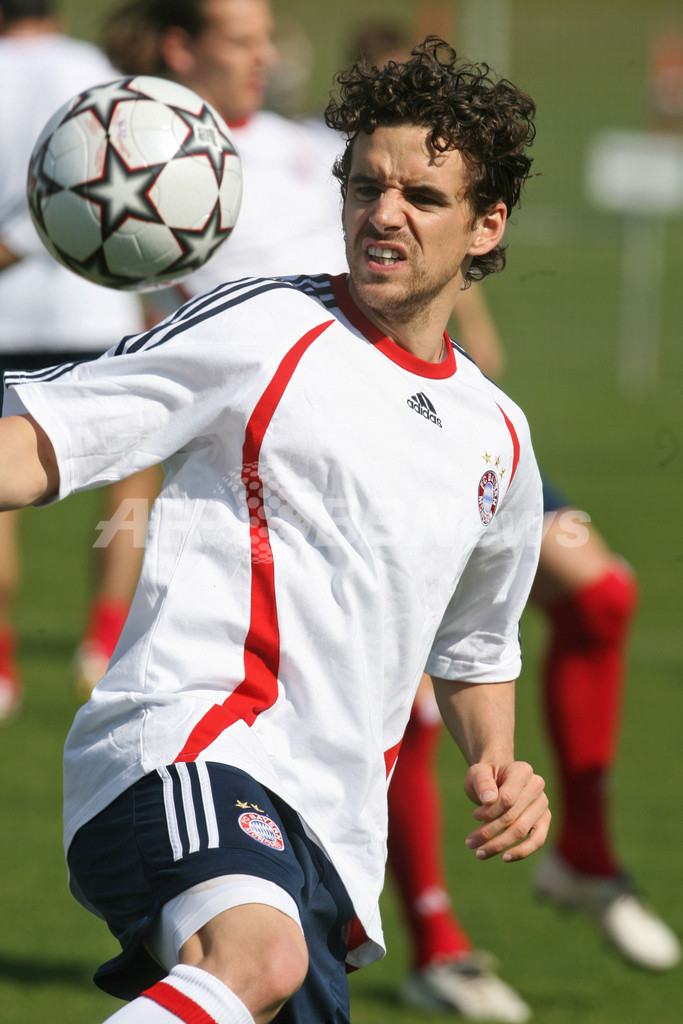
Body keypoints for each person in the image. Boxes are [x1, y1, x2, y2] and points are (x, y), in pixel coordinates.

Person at [0, 38, 551, 1024]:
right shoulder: (266, 329)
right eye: (365, 186)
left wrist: (497, 760)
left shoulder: (498, 438)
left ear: (485, 225)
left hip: (330, 827)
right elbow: (39, 447)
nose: (383, 212)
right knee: (256, 958)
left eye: (422, 197)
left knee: (261, 974)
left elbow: (474, 649)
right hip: (189, 744)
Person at [337, 26, 680, 1016]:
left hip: (457, 434)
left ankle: (584, 855)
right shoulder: (301, 189)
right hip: (358, 443)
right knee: (408, 691)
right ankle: (434, 943)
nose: (390, 198)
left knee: (600, 591)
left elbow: (476, 349)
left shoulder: (444, 213)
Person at [0, 0, 161, 716]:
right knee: (127, 480)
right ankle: (101, 642)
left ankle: (2, 665)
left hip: (6, 318)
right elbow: (130, 186)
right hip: (95, 307)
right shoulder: (93, 70)